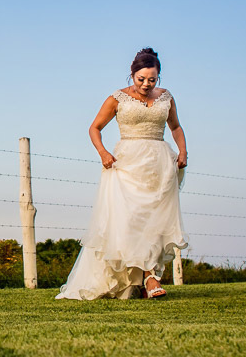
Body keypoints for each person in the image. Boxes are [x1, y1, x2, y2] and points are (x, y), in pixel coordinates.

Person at [55, 47, 189, 301]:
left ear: (158, 77)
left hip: (159, 164)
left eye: (152, 79)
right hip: (126, 164)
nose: (147, 84)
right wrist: (103, 153)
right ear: (132, 75)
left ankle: (148, 278)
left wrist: (183, 151)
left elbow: (176, 126)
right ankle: (142, 279)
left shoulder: (166, 97)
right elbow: (94, 128)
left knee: (155, 221)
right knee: (130, 220)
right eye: (141, 79)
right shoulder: (117, 98)